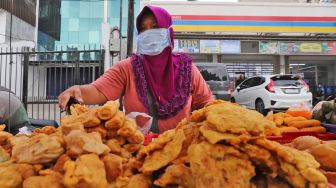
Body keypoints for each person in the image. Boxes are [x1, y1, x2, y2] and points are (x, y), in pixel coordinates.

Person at [58, 6, 213, 133]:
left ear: (168, 32)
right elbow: (98, 91)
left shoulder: (187, 69)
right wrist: (76, 90)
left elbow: (207, 105)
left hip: (179, 153)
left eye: (155, 27)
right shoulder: (128, 68)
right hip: (137, 152)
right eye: (143, 29)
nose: (149, 33)